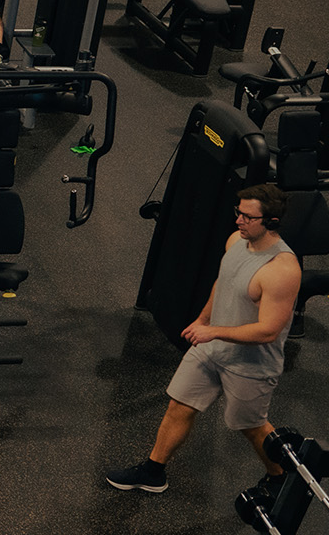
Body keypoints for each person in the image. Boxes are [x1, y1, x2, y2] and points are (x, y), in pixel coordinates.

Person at [107, 184, 301, 494]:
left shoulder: (282, 269)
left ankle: (280, 478)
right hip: (213, 348)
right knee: (179, 404)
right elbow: (224, 280)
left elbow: (268, 331)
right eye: (237, 212)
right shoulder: (236, 241)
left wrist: (213, 331)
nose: (238, 220)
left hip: (251, 364)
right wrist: (203, 319)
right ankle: (154, 470)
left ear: (272, 223)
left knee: (251, 427)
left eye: (247, 217)